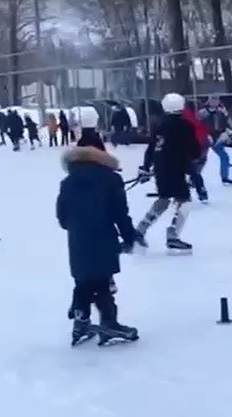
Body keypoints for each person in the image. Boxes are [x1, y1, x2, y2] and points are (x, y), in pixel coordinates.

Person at [56, 125, 142, 346]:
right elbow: (119, 213)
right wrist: (130, 236)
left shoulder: (68, 182)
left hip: (78, 239)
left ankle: (80, 318)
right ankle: (109, 323)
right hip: (103, 237)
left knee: (83, 280)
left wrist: (77, 227)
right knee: (102, 281)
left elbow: (62, 216)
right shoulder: (110, 179)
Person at [135, 93, 201, 253]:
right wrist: (191, 165)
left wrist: (146, 167)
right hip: (177, 169)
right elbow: (193, 150)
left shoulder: (160, 126)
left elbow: (151, 148)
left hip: (160, 169)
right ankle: (173, 234)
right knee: (185, 202)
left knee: (163, 199)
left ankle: (140, 230)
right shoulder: (184, 125)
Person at [198, 98, 232, 185]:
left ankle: (225, 177)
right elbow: (197, 125)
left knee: (224, 157)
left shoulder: (221, 112)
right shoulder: (202, 113)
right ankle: (194, 178)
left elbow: (229, 125)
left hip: (218, 138)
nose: (214, 102)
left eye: (216, 100)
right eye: (212, 99)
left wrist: (228, 132)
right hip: (205, 138)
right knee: (200, 159)